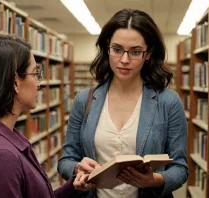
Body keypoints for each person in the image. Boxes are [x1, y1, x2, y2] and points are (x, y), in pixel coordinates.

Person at [58, 8, 188, 198]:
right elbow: (66, 160)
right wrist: (77, 168)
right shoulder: (84, 100)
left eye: (135, 52)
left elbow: (180, 168)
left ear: (148, 54)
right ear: (107, 47)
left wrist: (154, 180)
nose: (124, 60)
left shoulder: (168, 101)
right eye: (117, 50)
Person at [0, 34, 94, 198]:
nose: (39, 84)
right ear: (15, 82)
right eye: (35, 74)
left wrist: (74, 186)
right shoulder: (1, 156)